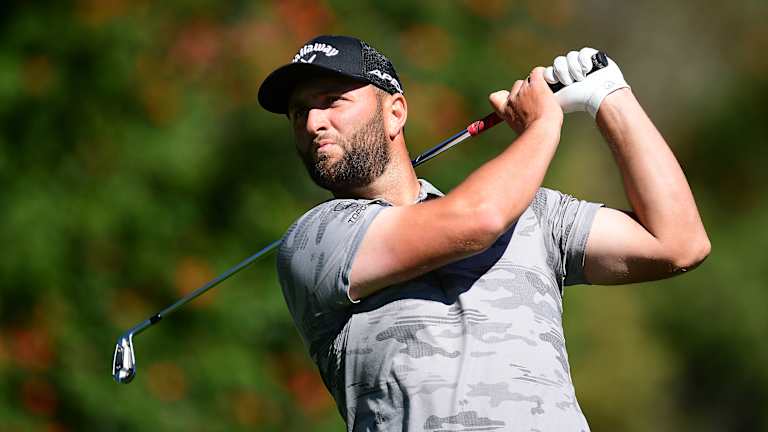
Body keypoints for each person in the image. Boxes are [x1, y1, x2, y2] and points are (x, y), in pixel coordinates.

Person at [257, 35, 710, 431]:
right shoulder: (314, 240)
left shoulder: (534, 214)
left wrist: (609, 95)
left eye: (331, 101)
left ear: (395, 113)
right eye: (299, 113)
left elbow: (678, 243)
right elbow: (477, 219)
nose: (312, 123)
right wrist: (543, 125)